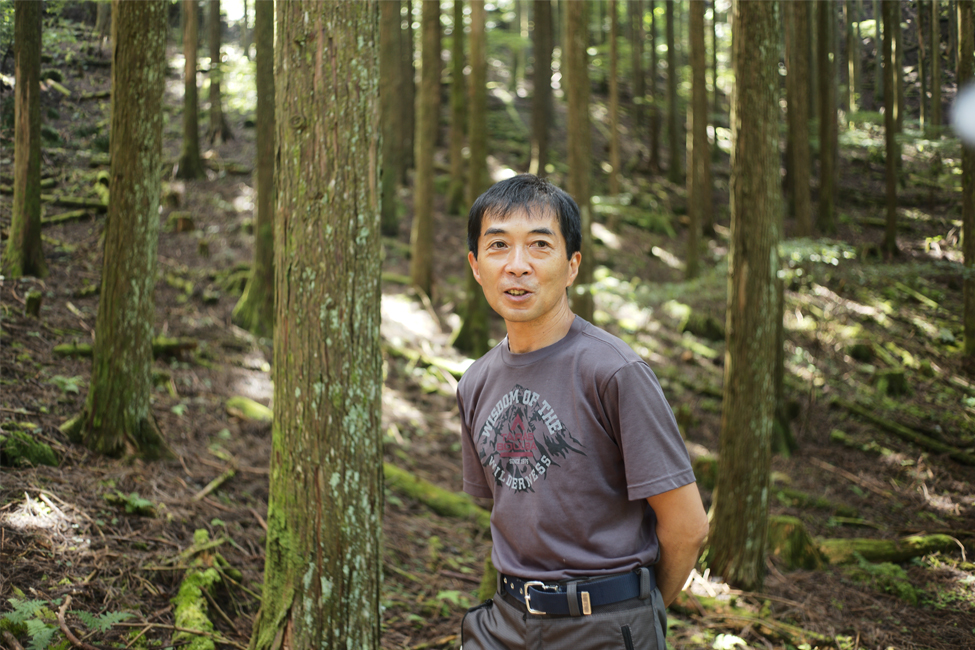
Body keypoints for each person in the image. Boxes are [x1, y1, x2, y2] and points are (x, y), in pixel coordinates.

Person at [457, 174, 709, 649]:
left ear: (571, 265)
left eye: (539, 246)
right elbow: (506, 508)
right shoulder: (475, 382)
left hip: (603, 628)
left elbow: (688, 525)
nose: (517, 266)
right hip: (503, 625)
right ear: (476, 266)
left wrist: (639, 610)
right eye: (498, 246)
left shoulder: (614, 372)